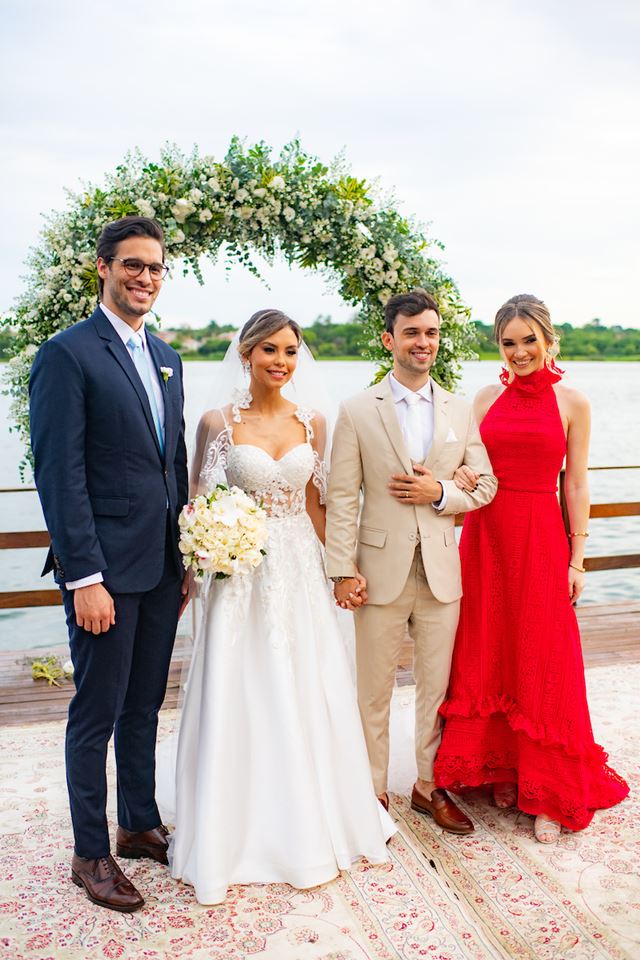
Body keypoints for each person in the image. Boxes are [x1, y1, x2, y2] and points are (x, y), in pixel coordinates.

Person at [160, 308, 395, 906]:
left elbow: (320, 506)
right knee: (240, 682)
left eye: (290, 351)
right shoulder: (216, 422)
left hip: (295, 567)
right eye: (268, 350)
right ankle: (230, 825)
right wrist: (197, 565)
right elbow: (197, 500)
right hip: (236, 571)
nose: (281, 362)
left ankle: (312, 821)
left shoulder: (314, 421)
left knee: (302, 680)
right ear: (245, 354)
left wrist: (340, 568)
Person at [29, 216, 188, 912]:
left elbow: (172, 464)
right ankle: (89, 853)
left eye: (154, 267)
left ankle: (138, 823)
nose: (144, 277)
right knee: (95, 713)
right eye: (132, 265)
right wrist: (83, 577)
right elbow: (59, 474)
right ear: (103, 268)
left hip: (158, 569)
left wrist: (184, 558)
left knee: (145, 704)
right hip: (103, 573)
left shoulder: (167, 356)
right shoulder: (67, 355)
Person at [434, 294, 629, 842]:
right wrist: (462, 479)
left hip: (541, 538)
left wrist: (578, 556)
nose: (519, 352)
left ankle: (550, 785)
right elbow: (464, 467)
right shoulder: (482, 398)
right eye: (508, 342)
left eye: (529, 340)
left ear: (549, 340)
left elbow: (577, 482)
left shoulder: (573, 402)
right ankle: (502, 767)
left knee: (543, 652)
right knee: (489, 647)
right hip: (486, 538)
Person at [325, 289, 498, 831]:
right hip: (377, 572)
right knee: (372, 688)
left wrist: (442, 493)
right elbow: (342, 495)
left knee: (436, 687)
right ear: (389, 339)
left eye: (431, 333)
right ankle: (371, 792)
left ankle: (429, 785)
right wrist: (341, 569)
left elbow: (487, 484)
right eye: (412, 333)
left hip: (443, 571)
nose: (423, 342)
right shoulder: (356, 410)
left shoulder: (459, 408)